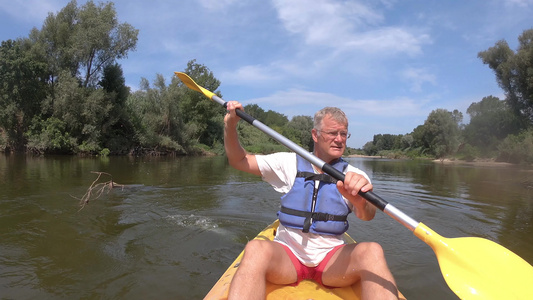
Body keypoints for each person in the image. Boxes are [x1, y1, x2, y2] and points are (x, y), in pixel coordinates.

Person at [224, 101, 398, 300]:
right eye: (332, 133)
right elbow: (238, 161)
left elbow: (368, 215)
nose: (339, 139)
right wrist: (231, 125)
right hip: (288, 257)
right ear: (315, 135)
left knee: (372, 251)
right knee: (255, 248)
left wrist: (358, 201)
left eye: (343, 134)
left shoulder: (354, 175)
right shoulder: (288, 163)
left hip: (331, 262)